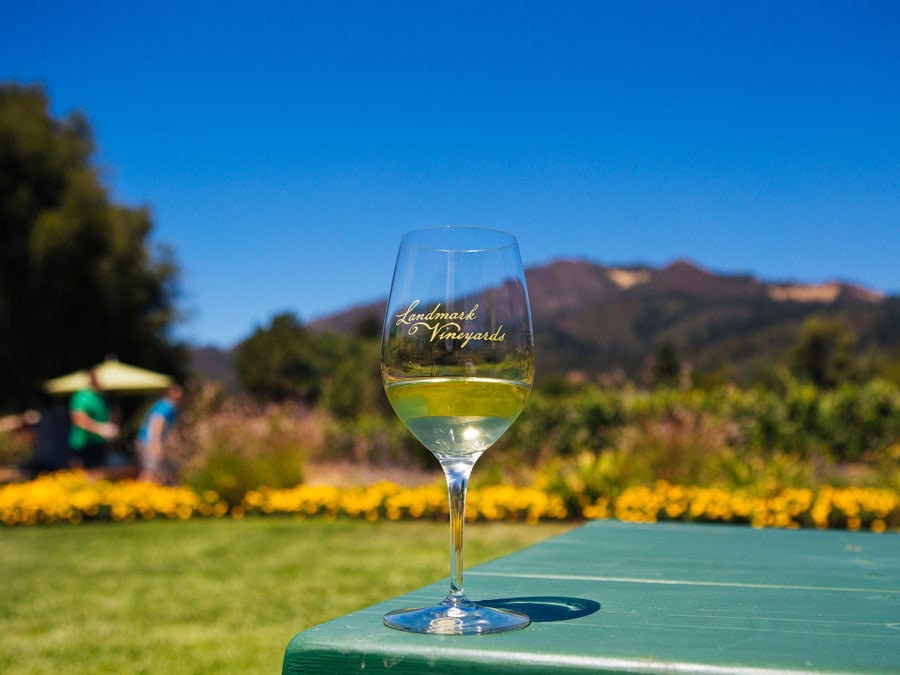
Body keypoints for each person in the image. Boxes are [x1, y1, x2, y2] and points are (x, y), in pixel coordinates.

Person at [68, 369, 118, 472]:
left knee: (98, 472)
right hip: (84, 442)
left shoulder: (101, 397)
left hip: (99, 442)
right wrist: (99, 429)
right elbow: (78, 418)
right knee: (85, 473)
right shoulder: (83, 396)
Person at [136, 384, 183, 483]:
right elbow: (157, 422)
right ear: (170, 393)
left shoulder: (163, 404)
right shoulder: (167, 406)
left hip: (148, 441)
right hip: (150, 442)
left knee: (158, 473)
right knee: (149, 472)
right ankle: (139, 494)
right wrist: (156, 444)